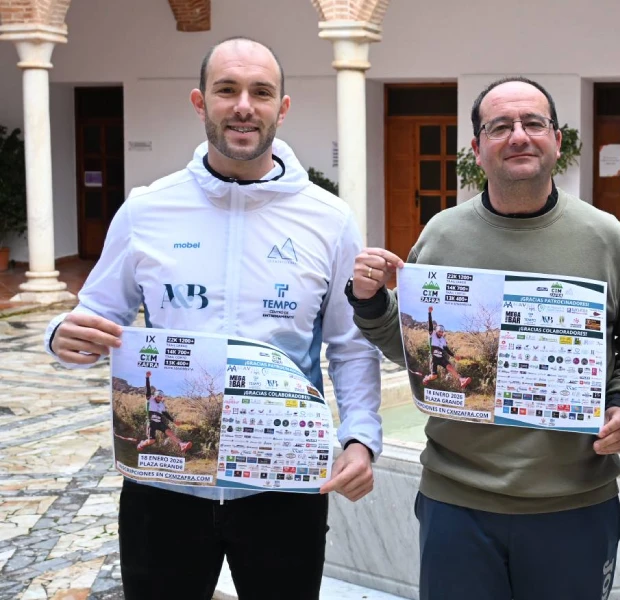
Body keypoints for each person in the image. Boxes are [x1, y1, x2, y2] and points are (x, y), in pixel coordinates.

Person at [44, 37, 383, 600]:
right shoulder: (148, 209)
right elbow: (96, 312)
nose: (244, 105)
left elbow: (350, 345)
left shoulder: (330, 219)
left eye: (261, 92)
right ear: (201, 102)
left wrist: (361, 438)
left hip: (283, 478)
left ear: (283, 107)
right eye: (227, 90)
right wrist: (64, 335)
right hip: (165, 475)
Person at [345, 77, 620, 600]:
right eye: (500, 127)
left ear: (556, 140)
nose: (519, 136)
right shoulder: (443, 235)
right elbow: (412, 347)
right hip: (458, 499)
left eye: (533, 123)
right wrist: (370, 302)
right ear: (478, 148)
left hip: (575, 501)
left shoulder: (606, 237)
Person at [137, 370, 192, 453]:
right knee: (152, 441)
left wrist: (174, 421)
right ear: (155, 396)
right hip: (151, 422)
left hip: (159, 423)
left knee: (169, 432)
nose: (159, 398)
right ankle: (141, 444)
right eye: (158, 397)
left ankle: (182, 445)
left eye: (161, 397)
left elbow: (165, 414)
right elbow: (148, 390)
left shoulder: (162, 404)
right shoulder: (150, 399)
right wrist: (147, 378)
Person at [421, 310, 471, 389]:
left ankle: (461, 380)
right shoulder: (432, 334)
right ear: (436, 331)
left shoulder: (443, 339)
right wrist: (429, 313)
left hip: (441, 358)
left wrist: (454, 356)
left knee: (450, 367)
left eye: (442, 332)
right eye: (439, 332)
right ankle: (426, 378)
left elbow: (446, 349)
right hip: (433, 358)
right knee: (434, 376)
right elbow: (430, 325)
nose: (440, 333)